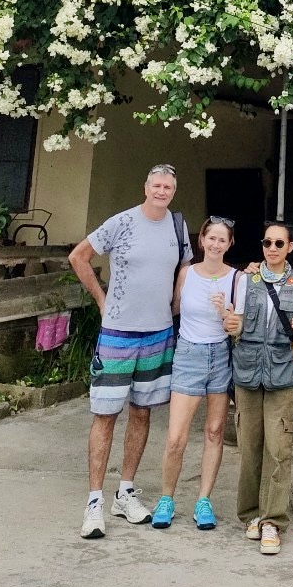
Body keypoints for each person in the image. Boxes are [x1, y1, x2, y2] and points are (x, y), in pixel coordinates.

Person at [68, 163, 192, 539]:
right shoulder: (120, 223)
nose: (161, 191)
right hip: (118, 333)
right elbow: (79, 257)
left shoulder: (177, 226)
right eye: (156, 184)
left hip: (157, 334)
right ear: (146, 186)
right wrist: (102, 301)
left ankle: (125, 491)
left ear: (173, 190)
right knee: (105, 414)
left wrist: (175, 303)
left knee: (141, 413)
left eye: (168, 186)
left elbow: (185, 265)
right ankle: (94, 502)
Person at [224, 221, 293, 555]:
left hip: (280, 372)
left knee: (279, 448)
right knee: (249, 446)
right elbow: (235, 322)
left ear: (290, 247)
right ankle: (250, 514)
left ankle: (272, 520)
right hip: (247, 371)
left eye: (279, 243)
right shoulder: (246, 279)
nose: (272, 248)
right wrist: (229, 322)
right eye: (267, 242)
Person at [150, 215, 239, 531]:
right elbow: (171, 308)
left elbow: (237, 325)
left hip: (220, 356)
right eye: (211, 238)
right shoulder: (187, 274)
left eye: (222, 239)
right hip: (188, 353)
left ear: (229, 244)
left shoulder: (236, 278)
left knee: (215, 432)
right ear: (202, 240)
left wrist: (225, 313)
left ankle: (203, 500)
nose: (216, 244)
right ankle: (166, 499)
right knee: (176, 437)